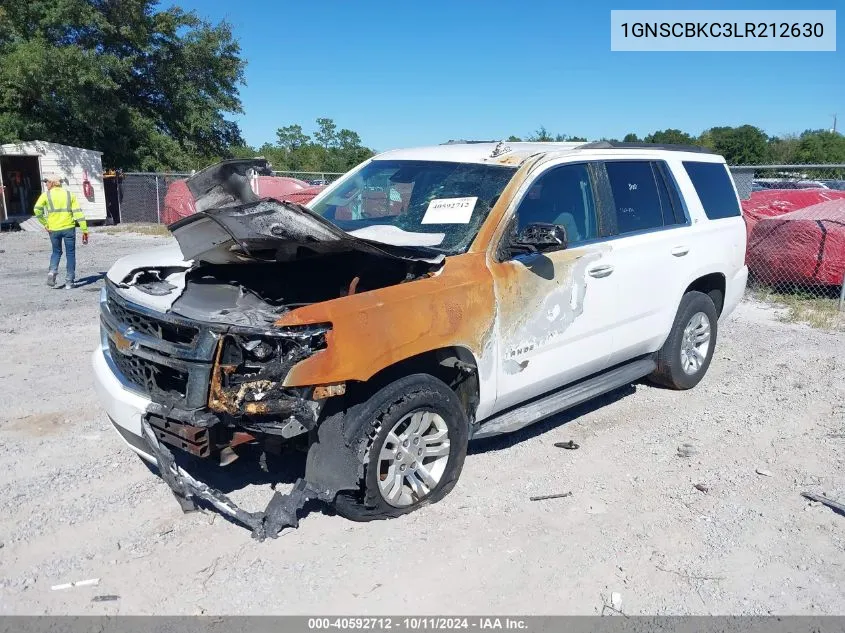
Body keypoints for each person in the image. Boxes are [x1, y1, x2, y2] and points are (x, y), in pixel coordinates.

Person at [33, 176, 89, 289]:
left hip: (53, 229)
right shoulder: (69, 194)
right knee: (70, 254)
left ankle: (52, 272)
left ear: (53, 183)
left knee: (56, 252)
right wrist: (84, 230)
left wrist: (45, 223)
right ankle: (69, 282)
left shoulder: (46, 195)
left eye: (47, 182)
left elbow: (37, 209)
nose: (46, 184)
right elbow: (78, 212)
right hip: (69, 228)